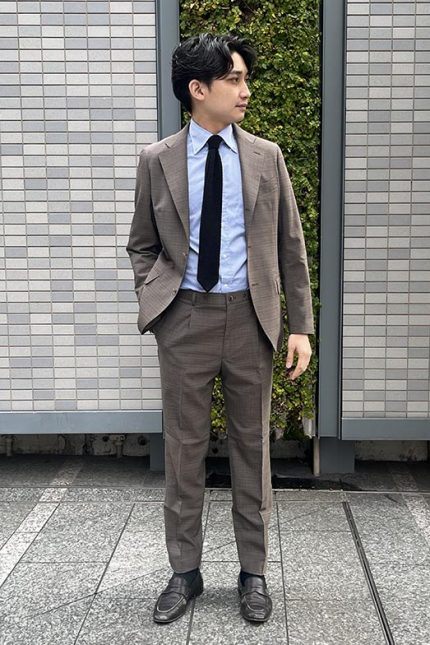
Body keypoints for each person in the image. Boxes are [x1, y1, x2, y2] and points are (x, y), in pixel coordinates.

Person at [126, 32, 314, 625]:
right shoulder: (157, 160)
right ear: (197, 89)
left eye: (244, 79)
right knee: (182, 451)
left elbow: (290, 247)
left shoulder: (266, 156)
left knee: (252, 449)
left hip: (250, 319)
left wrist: (300, 327)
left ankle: (253, 573)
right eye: (233, 79)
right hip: (184, 319)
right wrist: (158, 299)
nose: (244, 90)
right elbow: (141, 244)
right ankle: (184, 572)